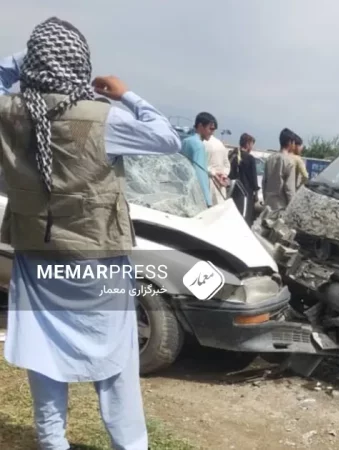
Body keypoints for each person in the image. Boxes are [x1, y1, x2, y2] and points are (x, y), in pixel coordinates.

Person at [0, 17, 181, 450]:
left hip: (35, 255)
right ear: (80, 63)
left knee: (43, 352)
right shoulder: (104, 118)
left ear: (35, 62)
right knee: (116, 359)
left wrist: (28, 60)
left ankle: (53, 441)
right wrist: (126, 94)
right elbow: (168, 139)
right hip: (98, 262)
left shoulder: (8, 113)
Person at [181, 112, 216, 207]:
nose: (212, 132)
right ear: (200, 126)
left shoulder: (185, 141)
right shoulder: (199, 146)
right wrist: (208, 201)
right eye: (211, 128)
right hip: (196, 197)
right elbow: (200, 174)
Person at [262, 128, 298, 210]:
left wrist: (265, 199)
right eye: (293, 142)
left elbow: (264, 182)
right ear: (289, 142)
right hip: (281, 206)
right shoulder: (289, 162)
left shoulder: (269, 159)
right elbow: (289, 189)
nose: (294, 145)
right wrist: (292, 208)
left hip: (268, 205)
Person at [228, 133, 259, 223]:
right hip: (246, 193)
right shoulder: (250, 158)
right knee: (245, 218)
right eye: (252, 144)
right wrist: (256, 194)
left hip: (234, 191)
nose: (252, 147)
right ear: (248, 144)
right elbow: (254, 180)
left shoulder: (232, 156)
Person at [204, 133, 230, 205]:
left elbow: (201, 164)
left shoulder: (202, 143)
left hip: (207, 181)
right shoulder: (220, 144)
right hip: (220, 183)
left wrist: (214, 173)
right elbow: (227, 165)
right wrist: (224, 175)